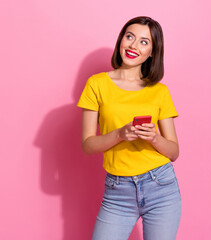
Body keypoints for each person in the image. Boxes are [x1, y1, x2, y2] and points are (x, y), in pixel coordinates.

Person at [77, 16, 181, 240]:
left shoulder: (159, 91)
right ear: (121, 40)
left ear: (152, 52)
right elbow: (87, 145)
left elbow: (173, 152)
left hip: (161, 186)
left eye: (144, 42)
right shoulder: (97, 84)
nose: (134, 45)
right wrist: (119, 134)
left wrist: (154, 138)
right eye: (130, 37)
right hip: (118, 191)